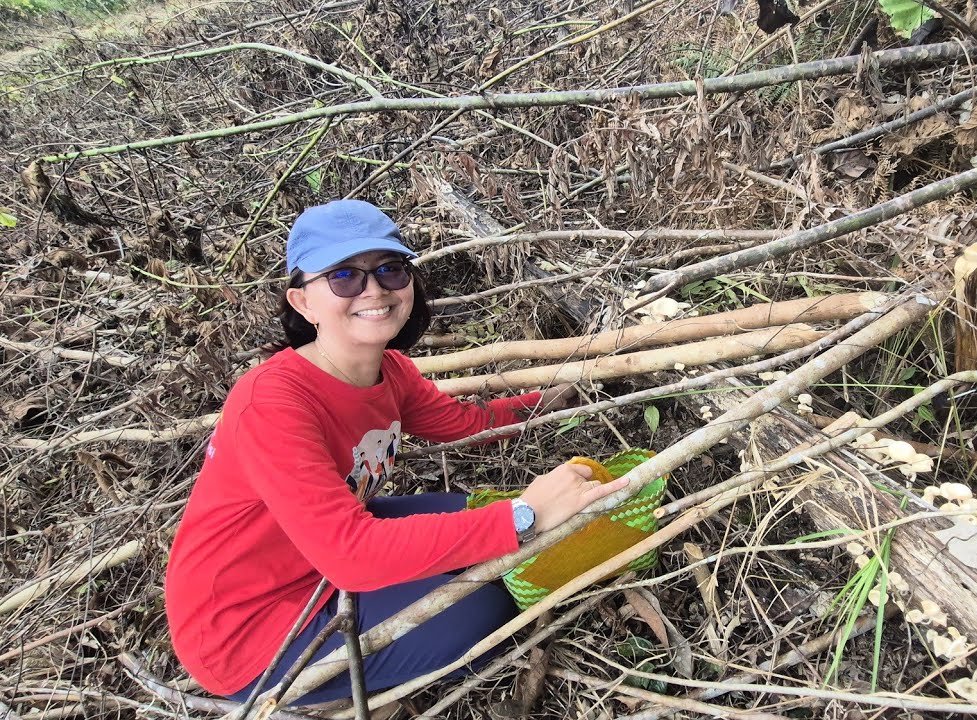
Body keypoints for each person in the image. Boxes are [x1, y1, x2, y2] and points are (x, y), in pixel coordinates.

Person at [163, 199, 629, 705]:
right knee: (485, 612)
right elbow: (350, 554)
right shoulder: (273, 403)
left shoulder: (391, 371)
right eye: (345, 276)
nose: (374, 290)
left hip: (316, 556)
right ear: (302, 303)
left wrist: (565, 393)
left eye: (390, 269)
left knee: (471, 511)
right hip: (251, 630)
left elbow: (466, 424)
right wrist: (524, 515)